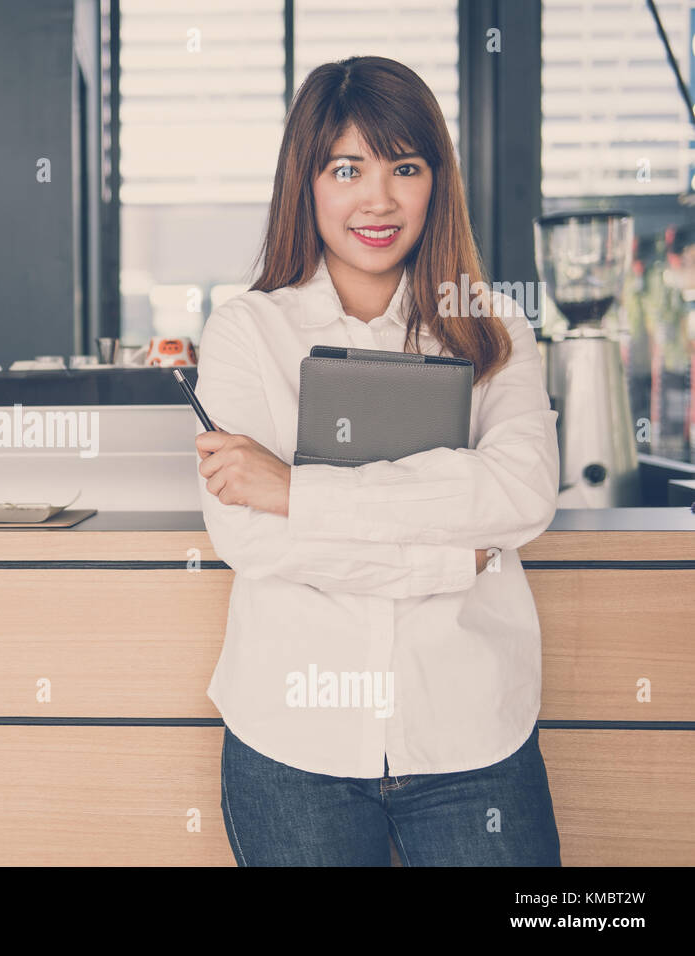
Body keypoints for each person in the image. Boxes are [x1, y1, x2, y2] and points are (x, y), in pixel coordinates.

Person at [194, 56, 562, 866]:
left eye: (405, 166)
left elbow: (523, 492)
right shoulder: (246, 332)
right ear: (308, 181)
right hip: (292, 743)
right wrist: (448, 556)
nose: (378, 199)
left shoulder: (494, 327)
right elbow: (248, 539)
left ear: (437, 180)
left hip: (470, 740)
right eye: (346, 168)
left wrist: (296, 490)